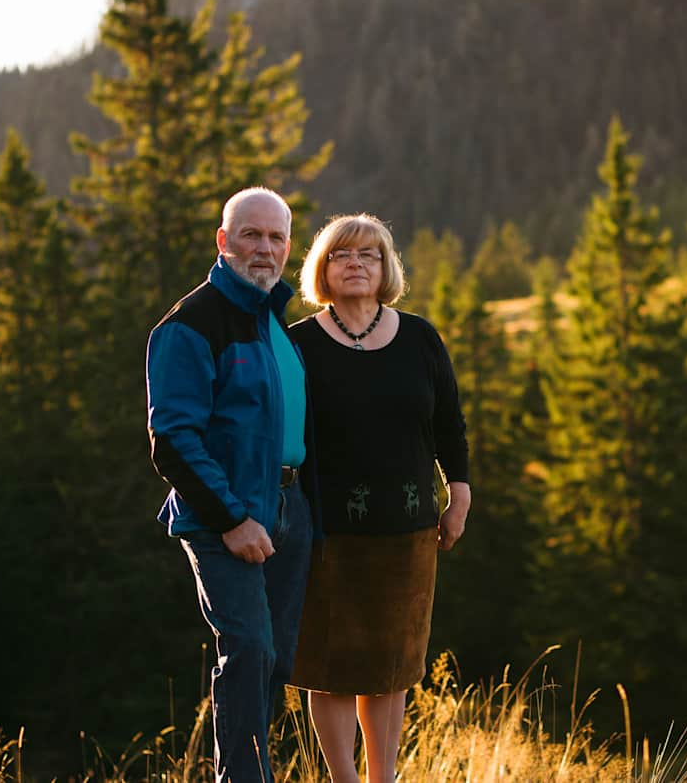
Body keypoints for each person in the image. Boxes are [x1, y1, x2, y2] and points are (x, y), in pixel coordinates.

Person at [287, 213, 471, 783]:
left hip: (410, 529)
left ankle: (382, 779)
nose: (357, 264)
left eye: (369, 255)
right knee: (333, 668)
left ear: (387, 266)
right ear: (323, 268)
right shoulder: (298, 345)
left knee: (393, 666)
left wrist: (458, 492)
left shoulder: (419, 337)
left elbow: (449, 424)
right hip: (327, 533)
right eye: (342, 255)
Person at [146, 187, 318, 783]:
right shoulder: (190, 324)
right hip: (226, 517)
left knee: (275, 663)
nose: (264, 248)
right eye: (251, 234)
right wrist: (232, 518)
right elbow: (172, 440)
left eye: (275, 238)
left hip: (289, 511)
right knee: (248, 650)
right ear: (224, 241)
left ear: (289, 247)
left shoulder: (276, 322)